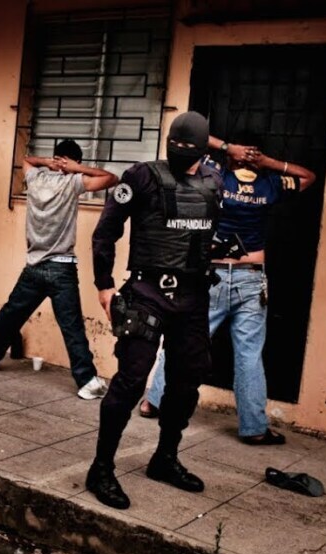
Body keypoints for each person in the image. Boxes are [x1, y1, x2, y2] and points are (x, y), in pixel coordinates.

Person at [86, 111, 254, 509]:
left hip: (193, 298)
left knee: (186, 382)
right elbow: (105, 231)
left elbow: (199, 235)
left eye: (187, 146)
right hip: (147, 292)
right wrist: (104, 284)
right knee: (130, 381)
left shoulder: (214, 182)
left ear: (201, 148)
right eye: (174, 144)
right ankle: (101, 468)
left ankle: (165, 458)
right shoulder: (140, 177)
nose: (179, 150)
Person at [140, 134, 316, 446]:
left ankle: (153, 402)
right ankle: (254, 428)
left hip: (214, 275)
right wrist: (268, 163)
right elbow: (307, 176)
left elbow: (190, 138)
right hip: (251, 277)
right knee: (249, 354)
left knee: (185, 340)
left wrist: (226, 148)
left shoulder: (215, 178)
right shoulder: (270, 185)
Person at [0, 140, 119, 399]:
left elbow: (27, 159)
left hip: (34, 266)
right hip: (61, 268)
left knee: (11, 314)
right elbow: (111, 178)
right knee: (72, 327)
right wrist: (77, 168)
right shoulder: (73, 182)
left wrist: (48, 162)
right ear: (73, 161)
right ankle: (87, 382)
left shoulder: (36, 179)